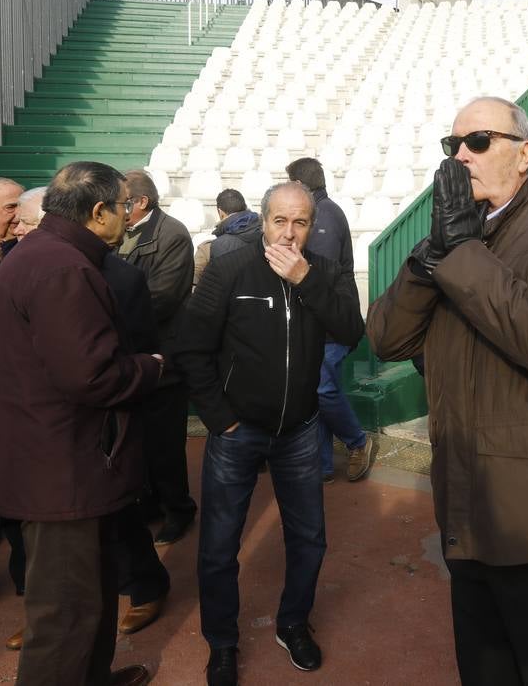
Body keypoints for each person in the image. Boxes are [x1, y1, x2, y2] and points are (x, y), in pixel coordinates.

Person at [368, 97, 528, 686]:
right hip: (464, 506)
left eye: (478, 142)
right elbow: (385, 337)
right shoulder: (450, 242)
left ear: (524, 154)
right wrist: (432, 258)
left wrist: (462, 251)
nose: (461, 157)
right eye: (452, 146)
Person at [175, 182, 365, 684]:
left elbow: (352, 330)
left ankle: (293, 622)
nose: (289, 232)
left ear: (311, 224)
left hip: (300, 430)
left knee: (309, 538)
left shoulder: (322, 271)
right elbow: (192, 347)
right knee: (219, 545)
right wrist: (219, 416)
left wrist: (306, 280)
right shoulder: (230, 269)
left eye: (300, 222)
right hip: (238, 431)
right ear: (263, 222)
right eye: (280, 221)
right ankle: (222, 642)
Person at [0, 161, 162, 686]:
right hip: (61, 471)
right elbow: (93, 376)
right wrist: (152, 368)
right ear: (99, 211)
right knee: (63, 614)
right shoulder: (63, 266)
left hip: (68, 463)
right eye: (124, 208)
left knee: (93, 596)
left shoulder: (48, 254)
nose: (131, 217)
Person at [117, 169, 198, 545]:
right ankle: (149, 503)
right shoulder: (119, 231)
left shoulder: (172, 234)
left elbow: (162, 297)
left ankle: (177, 510)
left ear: (141, 202)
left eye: (122, 200)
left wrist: (106, 314)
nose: (117, 206)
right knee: (137, 441)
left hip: (165, 358)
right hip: (132, 356)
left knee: (165, 445)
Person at [286, 156, 373, 484]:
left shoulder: (323, 217)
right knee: (315, 388)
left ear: (300, 184)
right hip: (323, 320)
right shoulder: (322, 211)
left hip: (333, 323)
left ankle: (357, 441)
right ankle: (322, 463)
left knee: (321, 387)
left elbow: (312, 276)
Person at [193, 189, 263, 288]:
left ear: (220, 212)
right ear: (245, 208)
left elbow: (194, 284)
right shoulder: (268, 236)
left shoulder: (208, 248)